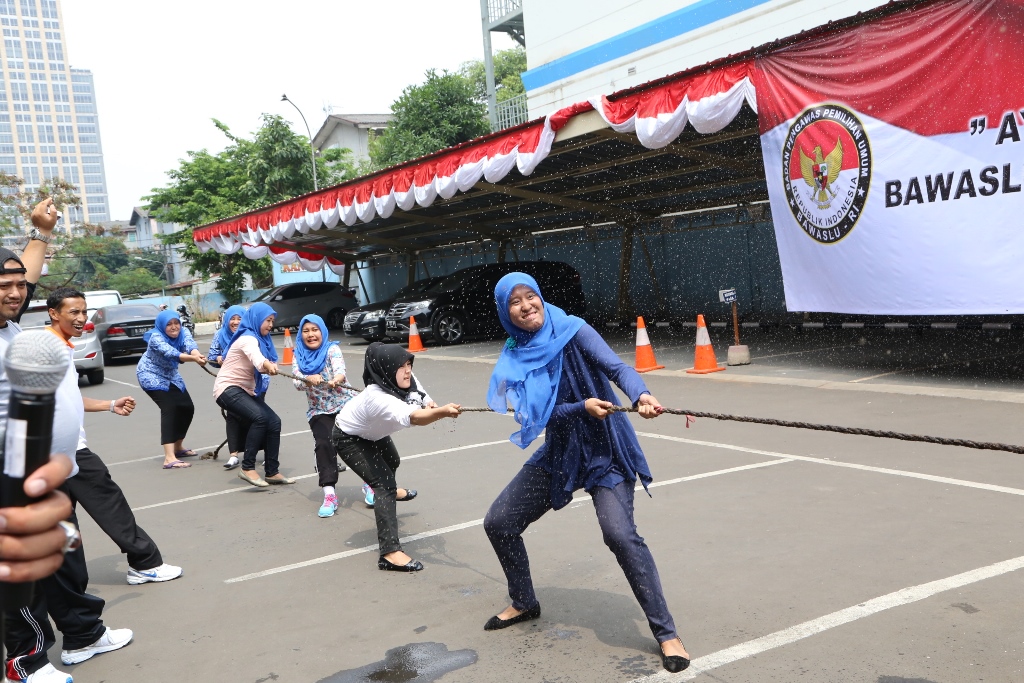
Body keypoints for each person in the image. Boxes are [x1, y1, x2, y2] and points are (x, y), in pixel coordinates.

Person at [481, 272, 690, 673]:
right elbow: (535, 416)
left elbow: (617, 368)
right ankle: (524, 601)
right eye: (515, 302)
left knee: (620, 535)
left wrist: (642, 395)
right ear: (505, 312)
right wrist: (581, 407)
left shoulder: (573, 330)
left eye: (530, 296)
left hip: (605, 451)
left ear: (541, 297)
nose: (526, 306)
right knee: (499, 522)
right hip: (561, 452)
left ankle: (667, 634)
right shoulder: (515, 352)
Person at [2, 199, 132, 683]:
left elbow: (27, 273)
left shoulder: (11, 325)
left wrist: (40, 232)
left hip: (47, 470)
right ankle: (26, 662)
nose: (16, 292)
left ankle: (83, 635)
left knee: (65, 557)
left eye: (20, 285)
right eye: (5, 286)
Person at [46, 287, 183, 586]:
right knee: (110, 502)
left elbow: (69, 399)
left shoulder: (63, 347)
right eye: (74, 312)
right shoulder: (49, 351)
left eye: (84, 312)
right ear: (54, 314)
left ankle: (61, 587)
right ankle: (145, 562)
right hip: (65, 450)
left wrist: (109, 405)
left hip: (55, 453)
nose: (81, 318)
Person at [332, 343, 460, 572]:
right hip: (349, 438)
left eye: (409, 364)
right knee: (384, 485)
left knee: (393, 461)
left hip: (372, 433)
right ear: (387, 369)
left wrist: (429, 403)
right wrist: (440, 412)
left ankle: (389, 493)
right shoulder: (377, 397)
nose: (407, 370)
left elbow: (419, 393)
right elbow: (415, 418)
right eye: (401, 366)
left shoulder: (403, 378)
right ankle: (389, 553)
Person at [213, 303, 293, 488]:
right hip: (227, 388)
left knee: (274, 421)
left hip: (245, 390)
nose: (271, 325)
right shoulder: (248, 338)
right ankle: (247, 467)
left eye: (272, 321)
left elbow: (263, 362)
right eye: (268, 320)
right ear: (257, 319)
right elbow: (256, 357)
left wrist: (269, 366)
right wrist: (266, 365)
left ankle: (272, 471)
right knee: (260, 418)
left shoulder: (260, 339)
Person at [291, 314, 357, 517]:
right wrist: (308, 379)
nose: (311, 334)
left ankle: (370, 485)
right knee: (324, 444)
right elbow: (297, 382)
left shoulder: (332, 349)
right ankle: (329, 494)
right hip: (319, 410)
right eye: (306, 331)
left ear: (322, 331)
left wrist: (336, 379)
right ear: (301, 335)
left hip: (345, 405)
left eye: (315, 330)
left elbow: (340, 370)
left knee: (358, 443)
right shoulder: (298, 355)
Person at [136, 309, 206, 469]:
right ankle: (169, 457)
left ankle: (178, 447)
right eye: (169, 324)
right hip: (150, 373)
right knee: (169, 407)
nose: (174, 327)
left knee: (187, 407)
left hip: (170, 373)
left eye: (176, 323)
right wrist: (194, 359)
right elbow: (172, 353)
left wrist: (197, 354)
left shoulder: (184, 331)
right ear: (162, 325)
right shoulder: (156, 337)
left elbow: (190, 345)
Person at [207, 305, 267, 471]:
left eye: (239, 319)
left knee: (259, 416)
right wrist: (218, 358)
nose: (235, 322)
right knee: (233, 416)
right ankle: (234, 455)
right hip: (232, 382)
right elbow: (211, 357)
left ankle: (265, 452)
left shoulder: (251, 335)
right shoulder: (220, 335)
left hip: (255, 381)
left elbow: (261, 357)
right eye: (232, 319)